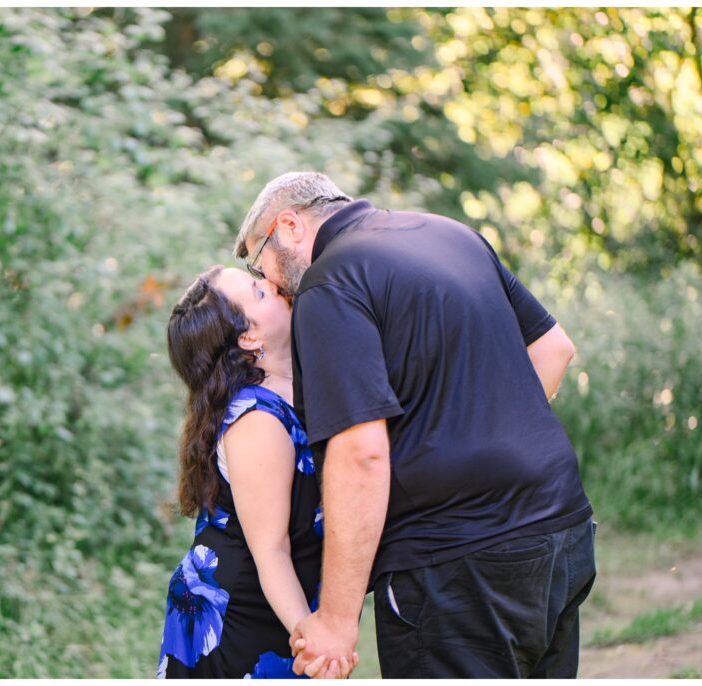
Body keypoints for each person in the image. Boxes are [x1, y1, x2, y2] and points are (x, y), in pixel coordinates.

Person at [233, 172, 596, 679]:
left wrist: (337, 621)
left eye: (258, 260)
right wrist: (483, 426)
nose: (268, 282)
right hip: (562, 531)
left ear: (289, 226)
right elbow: (553, 349)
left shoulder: (329, 283)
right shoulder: (449, 233)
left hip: (455, 561)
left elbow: (361, 453)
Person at [157, 265, 358, 679]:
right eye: (258, 291)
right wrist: (314, 642)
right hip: (238, 617)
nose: (271, 282)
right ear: (248, 338)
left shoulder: (303, 383)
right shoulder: (256, 418)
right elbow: (271, 551)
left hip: (280, 604)